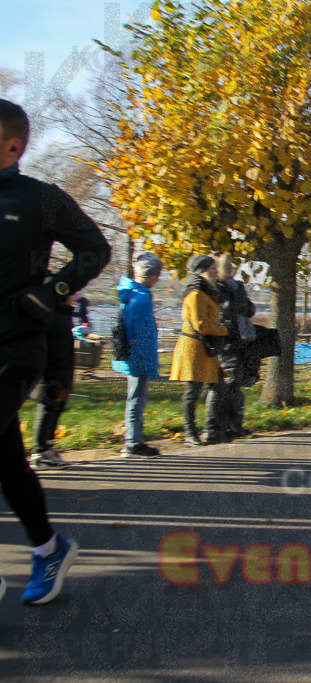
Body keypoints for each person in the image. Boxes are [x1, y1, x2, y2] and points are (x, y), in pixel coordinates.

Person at [0, 98, 111, 604]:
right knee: (8, 464)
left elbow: (95, 248)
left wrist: (50, 293)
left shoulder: (40, 198)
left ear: (12, 146)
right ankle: (49, 548)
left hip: (15, 346)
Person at [169, 255, 229, 445]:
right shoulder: (196, 293)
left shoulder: (206, 291)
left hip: (205, 348)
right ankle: (190, 433)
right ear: (201, 270)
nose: (215, 271)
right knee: (193, 390)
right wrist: (226, 329)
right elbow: (201, 324)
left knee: (218, 386)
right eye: (212, 268)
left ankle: (211, 430)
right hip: (194, 347)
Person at [111, 252, 163, 457]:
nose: (158, 279)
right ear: (150, 275)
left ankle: (133, 440)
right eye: (157, 275)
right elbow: (143, 335)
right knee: (137, 399)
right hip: (138, 357)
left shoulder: (131, 294)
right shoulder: (141, 299)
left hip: (131, 354)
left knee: (135, 398)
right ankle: (133, 442)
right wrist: (149, 364)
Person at [207, 252, 258, 442]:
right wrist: (238, 303)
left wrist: (238, 304)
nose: (229, 269)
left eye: (231, 265)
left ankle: (233, 426)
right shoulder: (216, 287)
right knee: (224, 385)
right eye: (225, 265)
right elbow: (226, 309)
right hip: (224, 339)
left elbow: (250, 309)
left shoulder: (237, 286)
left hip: (240, 339)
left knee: (236, 383)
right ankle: (215, 427)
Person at [28, 292, 76, 469]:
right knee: (49, 410)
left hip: (60, 375)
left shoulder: (62, 316)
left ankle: (47, 447)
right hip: (51, 376)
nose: (76, 297)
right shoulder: (54, 317)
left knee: (56, 409)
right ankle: (41, 451)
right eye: (72, 294)